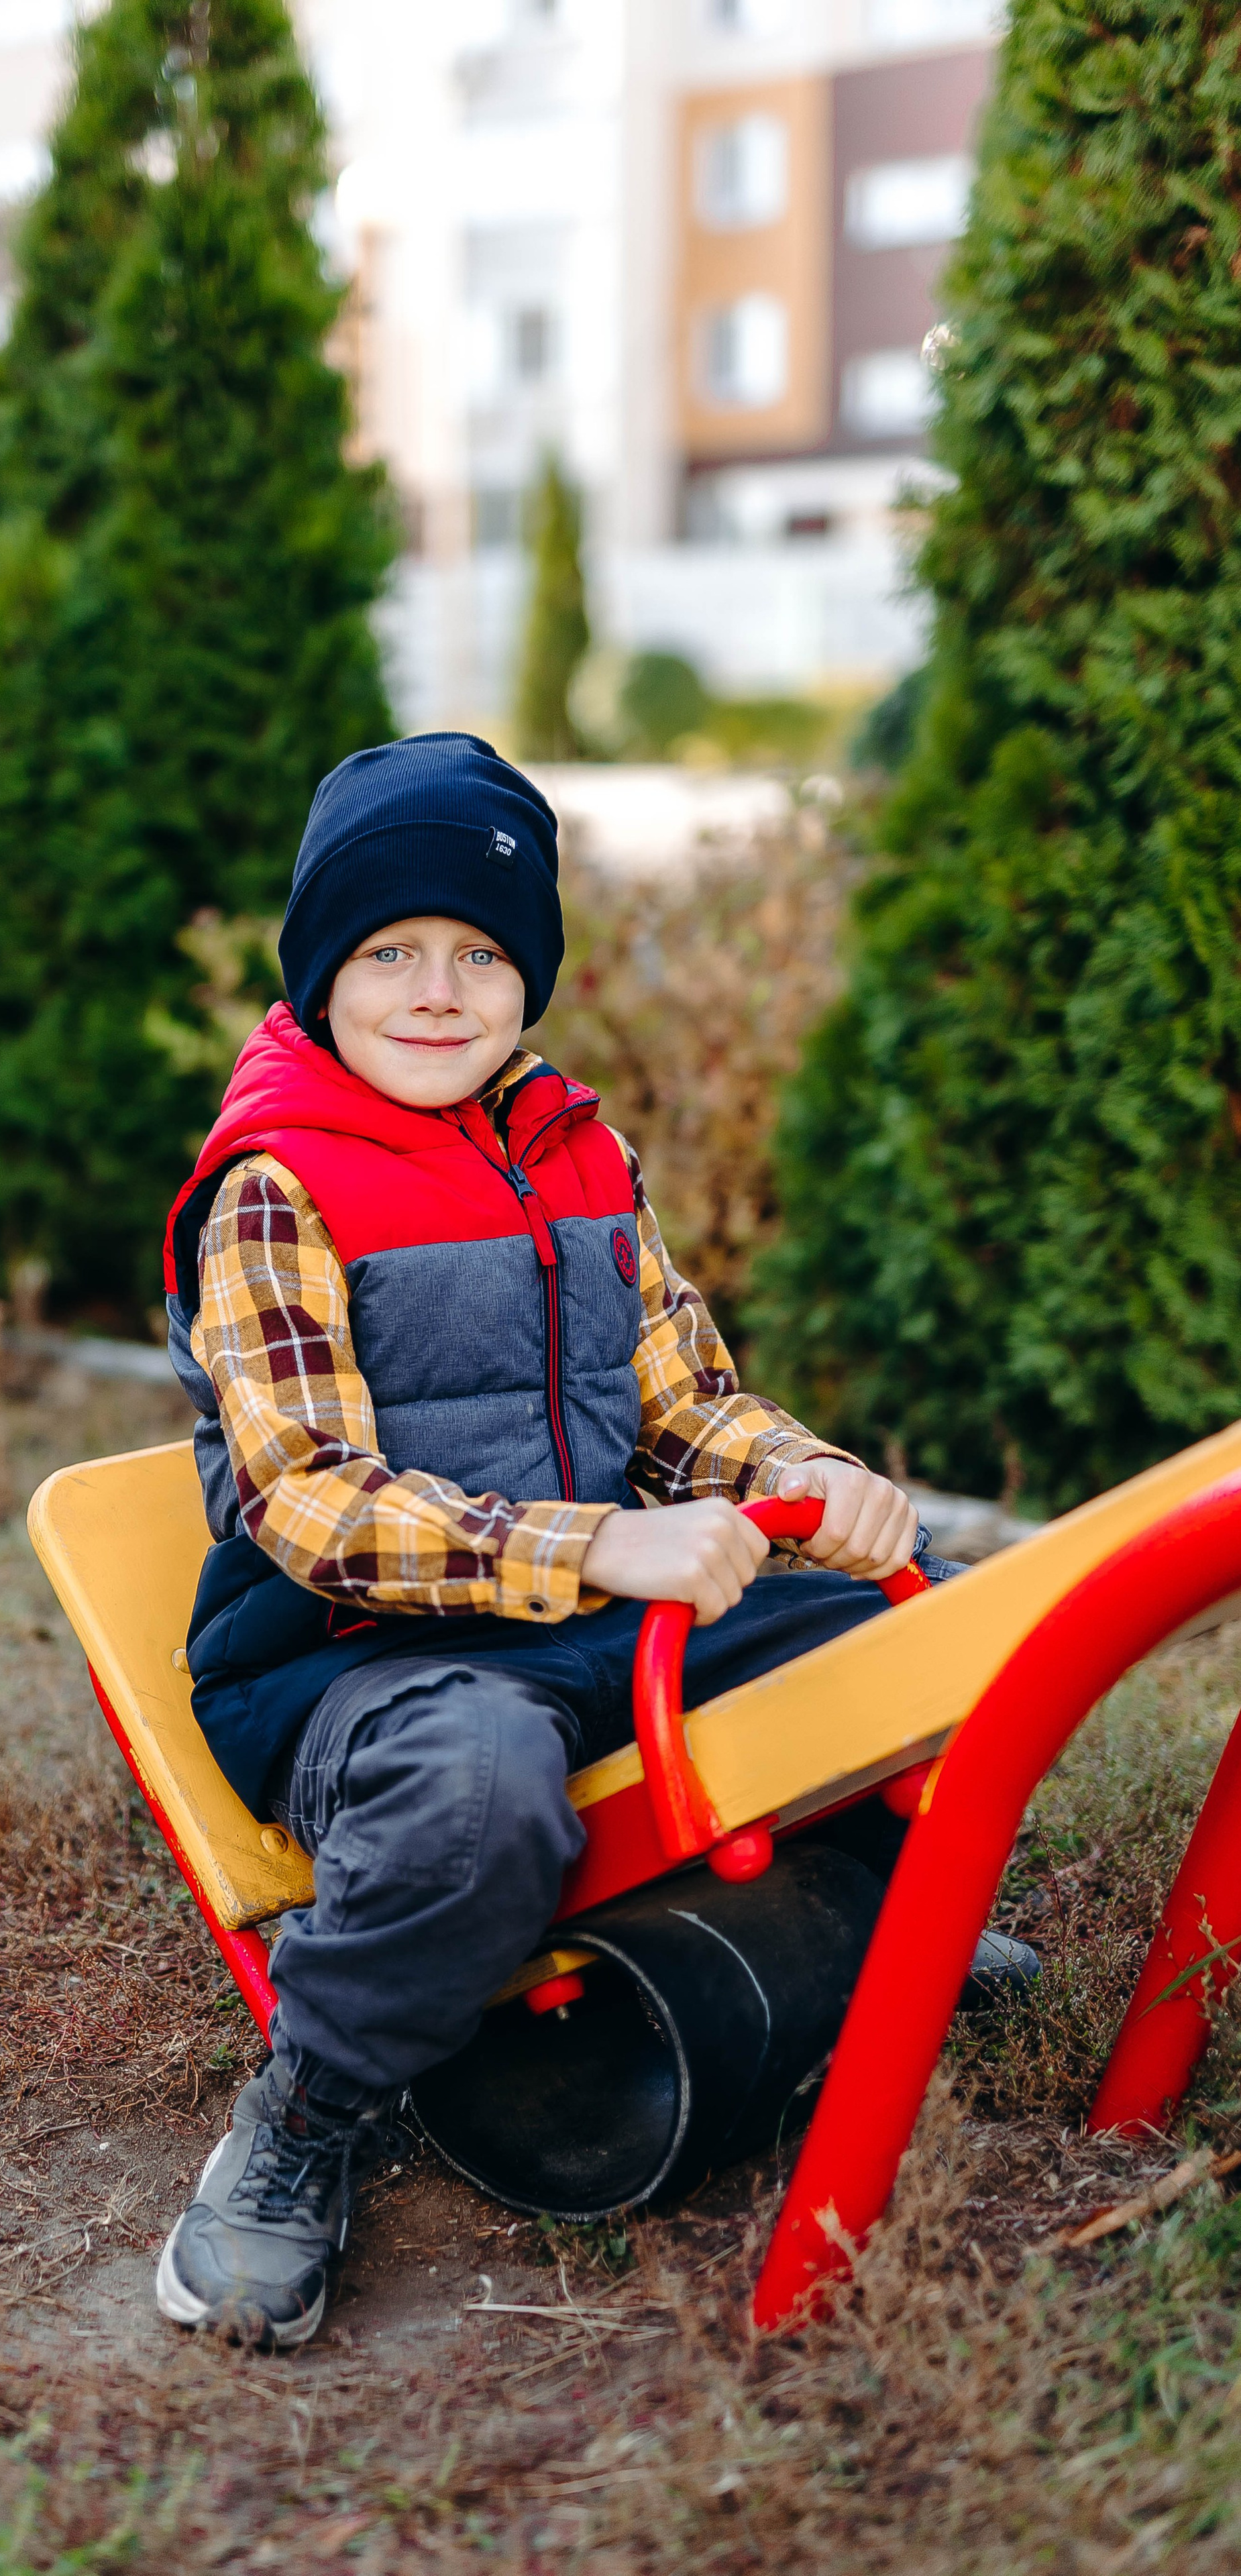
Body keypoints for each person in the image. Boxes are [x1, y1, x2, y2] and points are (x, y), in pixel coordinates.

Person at [154, 733, 1030, 2350]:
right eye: (388, 952)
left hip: (580, 1616)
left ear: (527, 979)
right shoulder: (273, 1187)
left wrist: (813, 1479)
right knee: (477, 1797)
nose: (435, 990)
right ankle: (306, 2117)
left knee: (942, 1632)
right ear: (320, 977)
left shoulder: (578, 1153)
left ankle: (882, 1904)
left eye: (480, 953)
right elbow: (310, 1506)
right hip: (355, 1659)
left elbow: (687, 1401)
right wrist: (594, 1551)